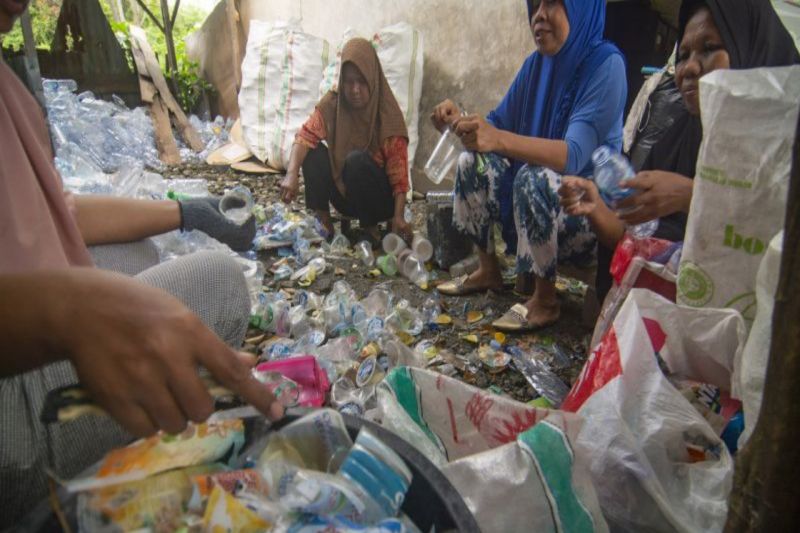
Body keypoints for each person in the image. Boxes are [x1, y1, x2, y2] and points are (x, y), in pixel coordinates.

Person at [0, 2, 281, 525]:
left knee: (140, 251)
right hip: (12, 410)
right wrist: (68, 312)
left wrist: (188, 212)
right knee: (218, 281)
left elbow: (60, 214)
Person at [560, 0, 800, 304]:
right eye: (683, 55)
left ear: (748, 45)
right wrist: (595, 208)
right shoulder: (679, 137)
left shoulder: (785, 135)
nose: (689, 68)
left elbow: (779, 230)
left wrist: (692, 195)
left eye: (709, 48)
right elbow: (632, 238)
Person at [435, 0, 627, 332]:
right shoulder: (536, 66)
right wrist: (460, 122)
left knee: (534, 177)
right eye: (534, 4)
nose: (539, 14)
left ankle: (545, 300)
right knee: (472, 162)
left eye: (553, 2)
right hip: (539, 204)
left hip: (586, 215)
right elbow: (496, 125)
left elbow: (572, 155)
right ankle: (489, 270)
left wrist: (497, 139)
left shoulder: (605, 66)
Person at [280, 38, 412, 245]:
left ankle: (371, 230)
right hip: (346, 197)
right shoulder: (334, 104)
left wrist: (398, 216)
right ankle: (323, 219)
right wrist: (291, 174)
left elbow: (400, 178)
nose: (355, 89)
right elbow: (305, 135)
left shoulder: (387, 115)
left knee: (356, 161)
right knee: (313, 153)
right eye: (349, 81)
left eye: (361, 81)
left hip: (378, 200)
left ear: (372, 79)